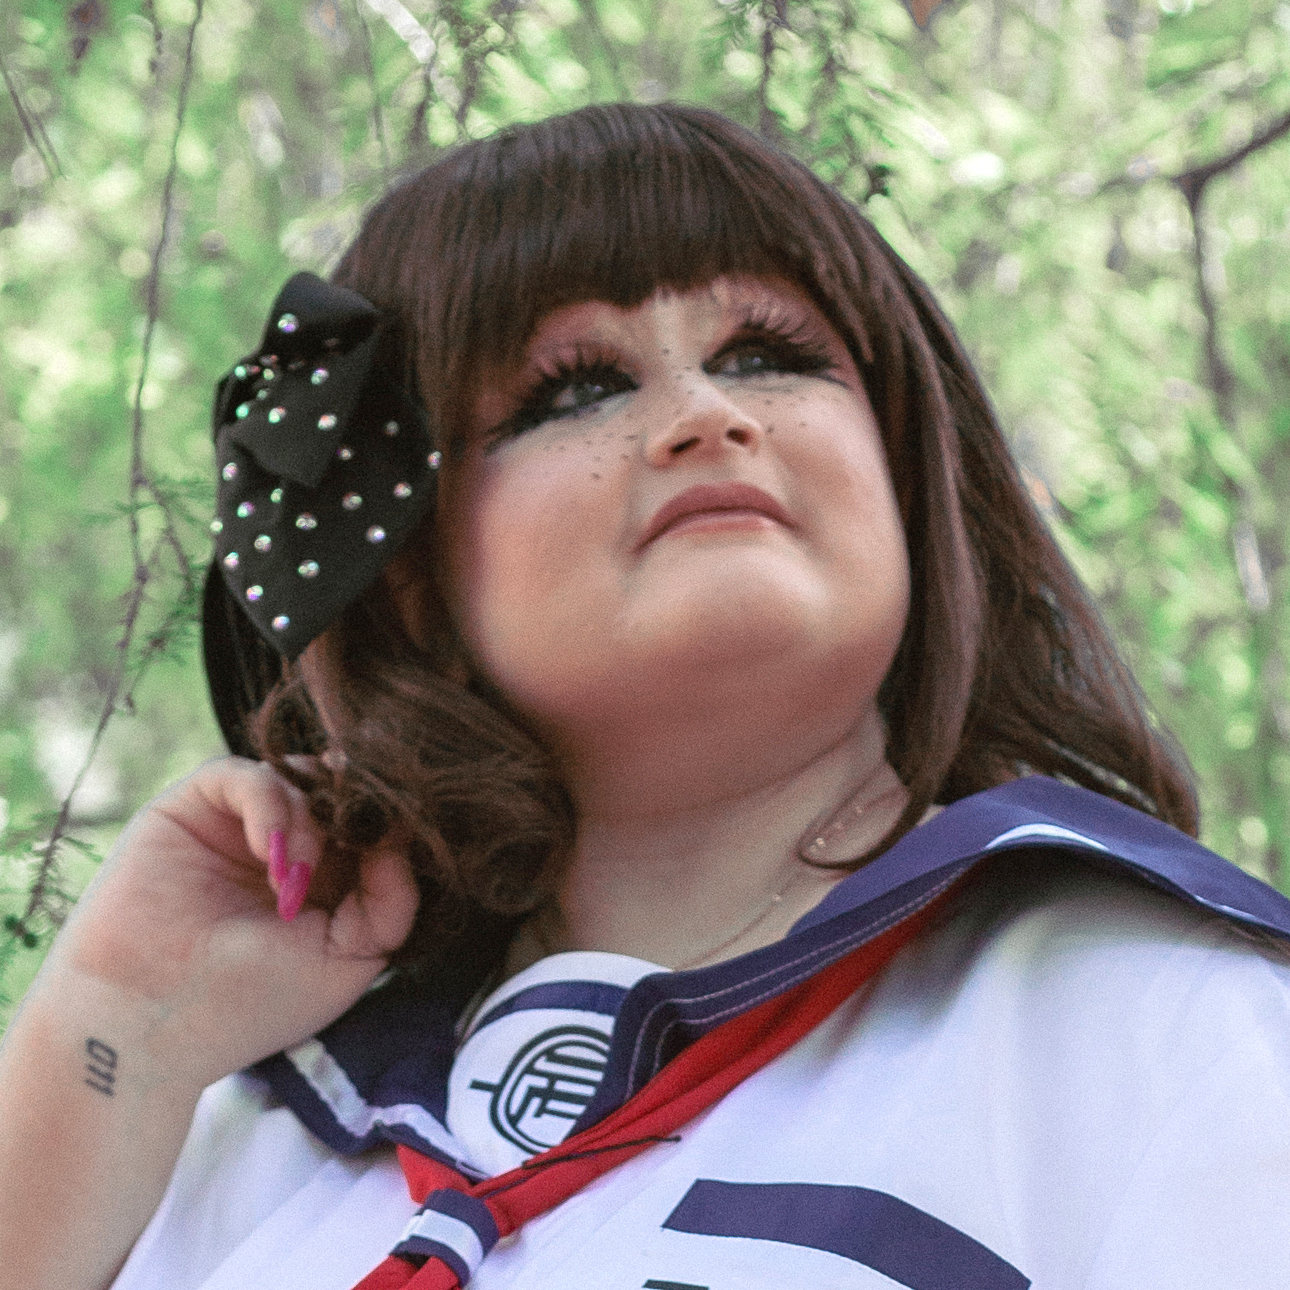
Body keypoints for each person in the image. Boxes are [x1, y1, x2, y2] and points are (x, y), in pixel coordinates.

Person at [1, 102, 1288, 1290]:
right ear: (408, 583)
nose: (704, 413)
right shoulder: (238, 1142)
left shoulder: (1167, 1025)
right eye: (578, 388)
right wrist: (111, 1034)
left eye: (772, 353)